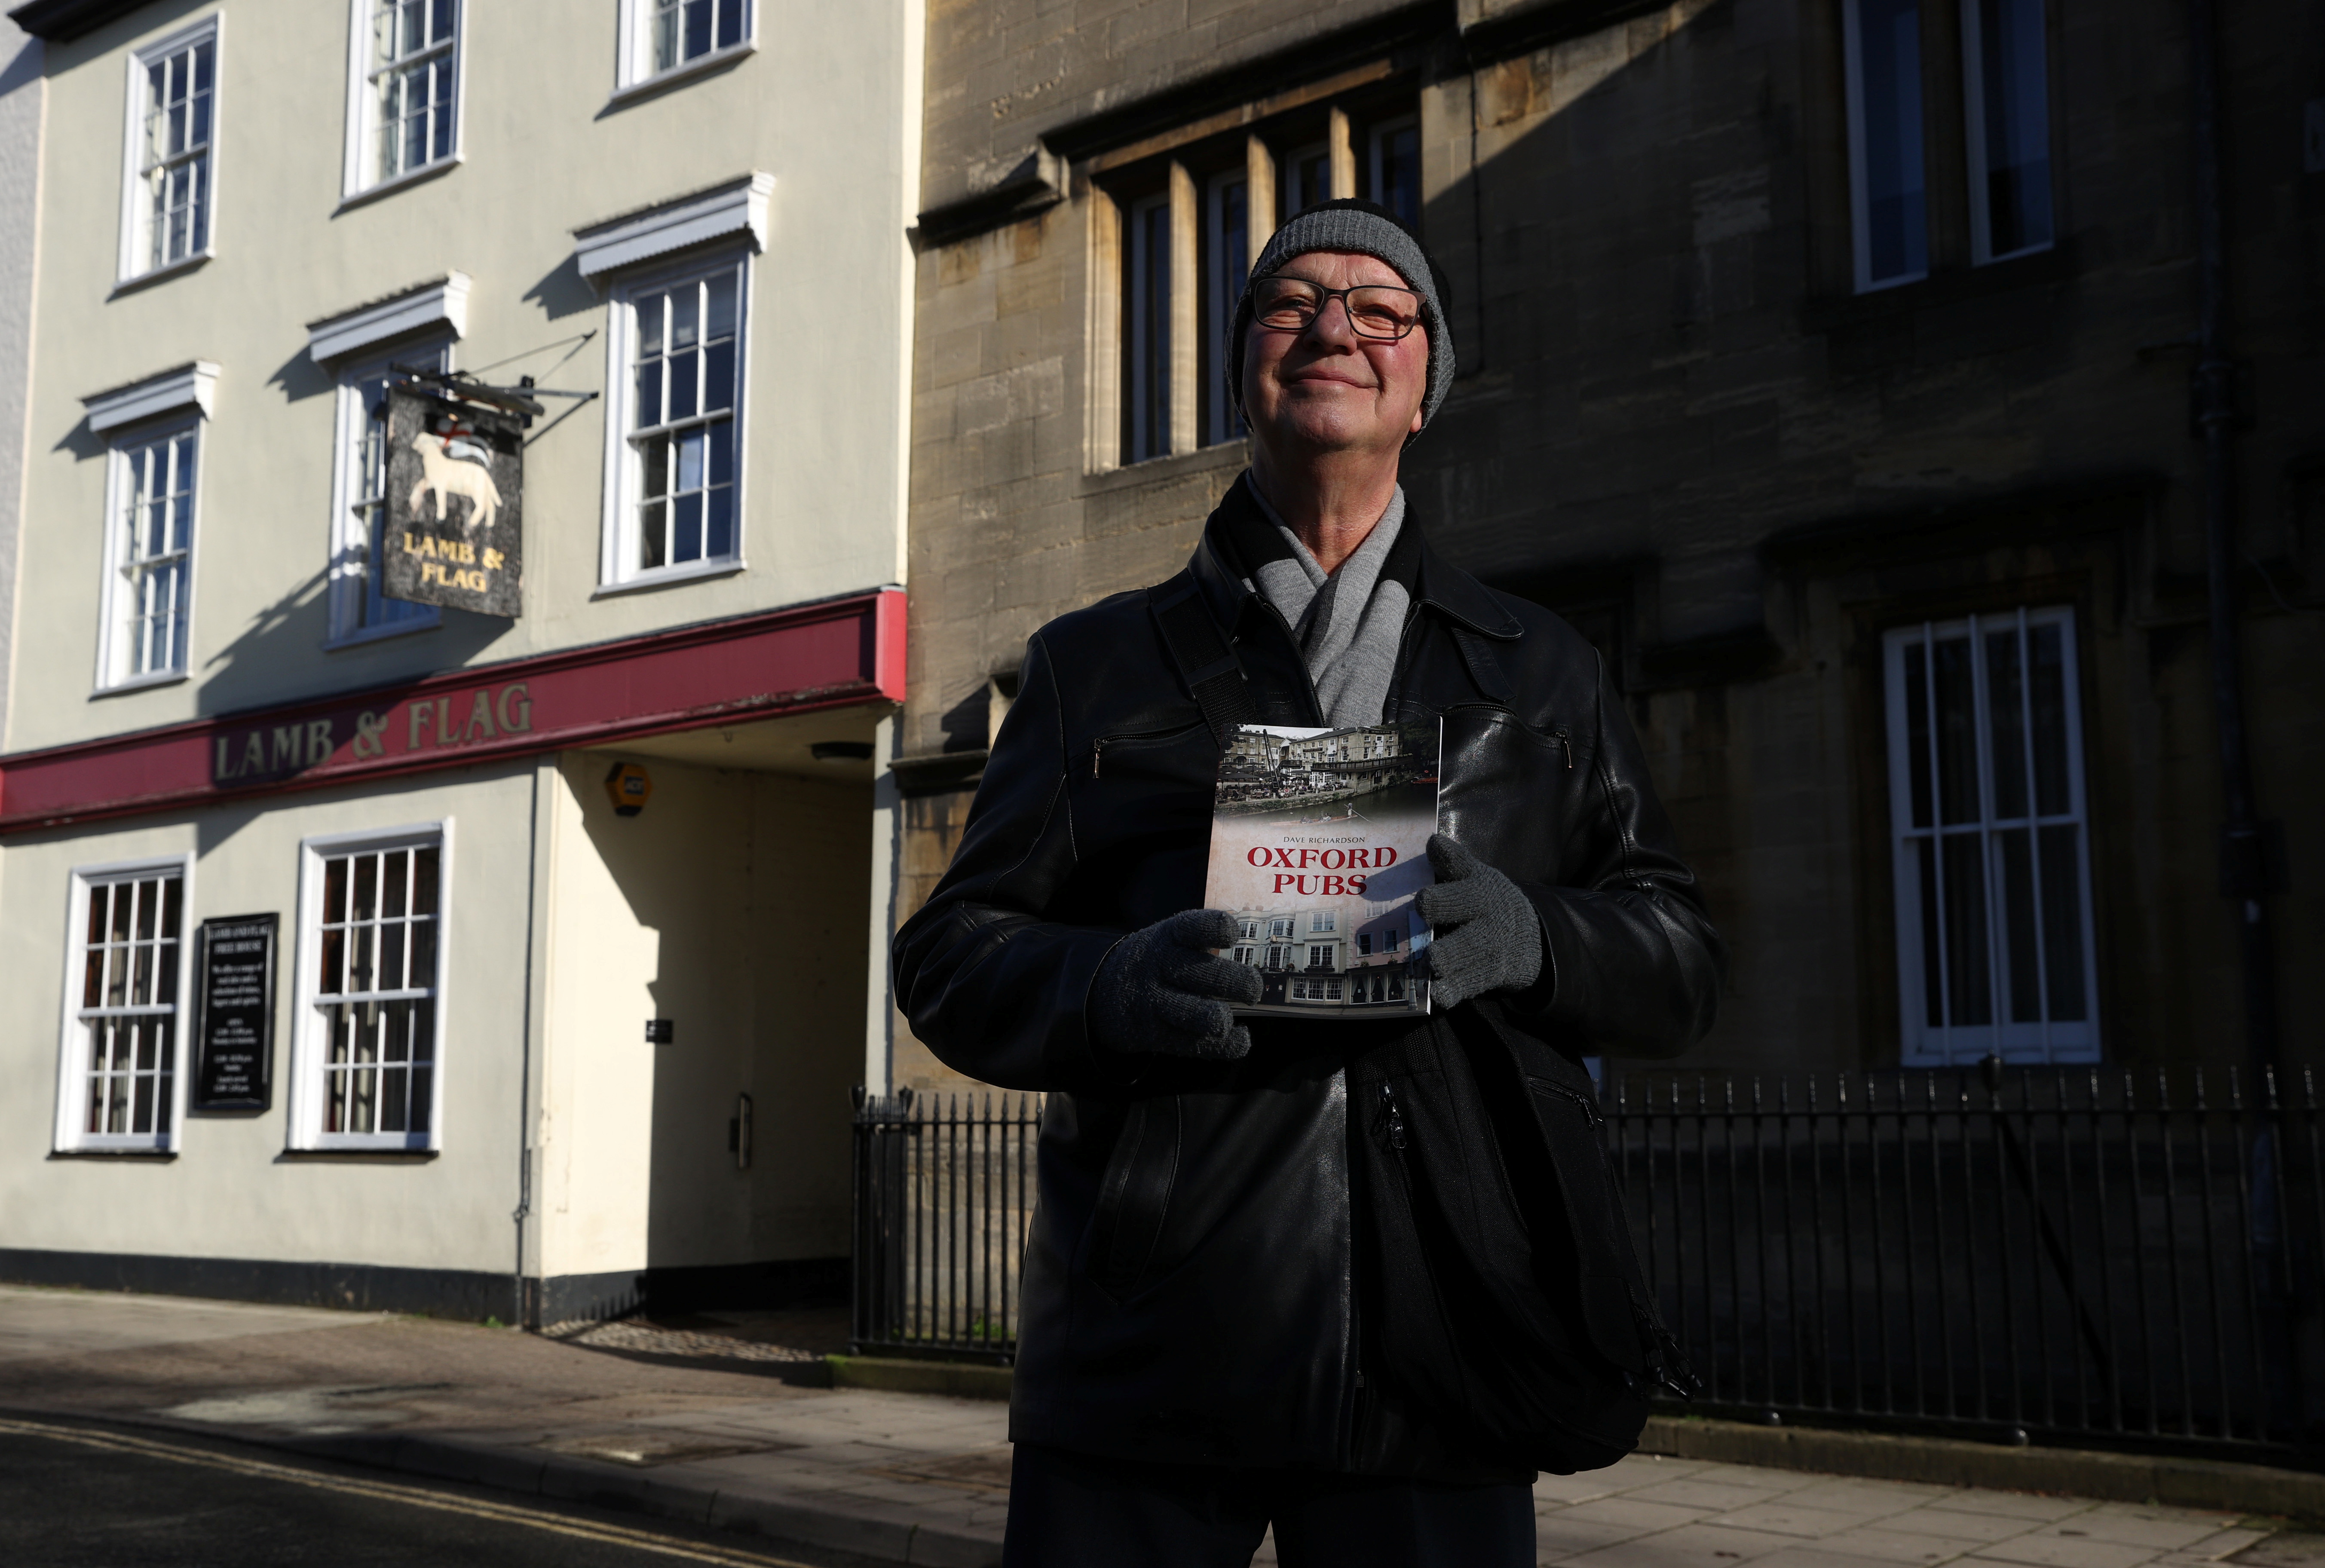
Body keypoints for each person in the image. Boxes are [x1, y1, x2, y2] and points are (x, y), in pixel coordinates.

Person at [892, 199, 1725, 1568]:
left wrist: (1534, 935)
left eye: (1378, 308)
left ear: (1424, 383)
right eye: (1290, 302)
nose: (1333, 325)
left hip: (1450, 1336)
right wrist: (1106, 983)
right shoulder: (1091, 664)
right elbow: (948, 953)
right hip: (1151, 1350)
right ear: (1242, 369)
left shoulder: (1540, 669)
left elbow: (1682, 954)